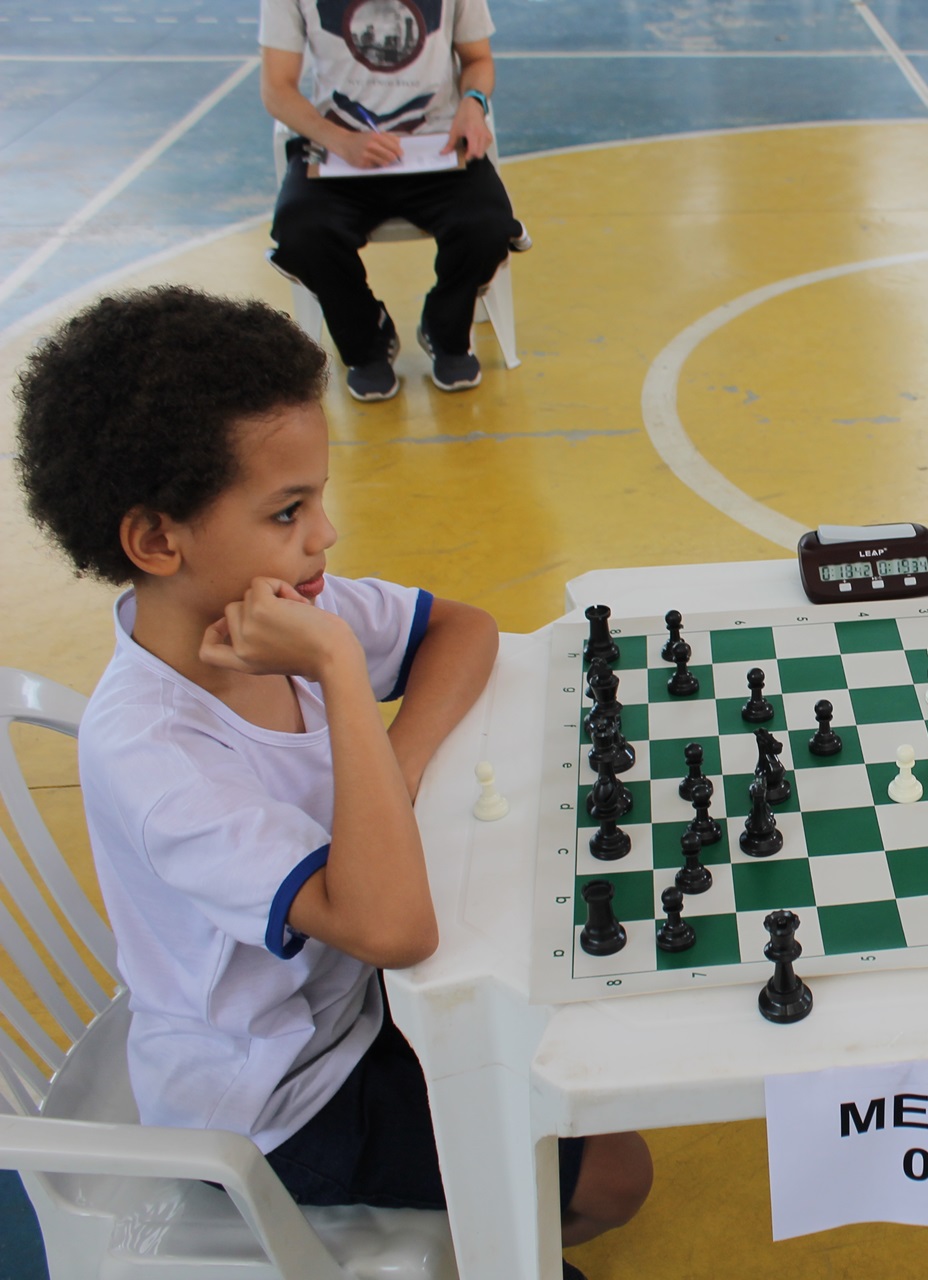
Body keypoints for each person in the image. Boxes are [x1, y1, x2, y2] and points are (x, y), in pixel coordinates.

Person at [12, 287, 649, 1278]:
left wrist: (394, 764)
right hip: (280, 1099)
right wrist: (343, 672)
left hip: (355, 1000)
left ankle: (493, 1214)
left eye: (317, 498)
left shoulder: (272, 605)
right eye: (287, 511)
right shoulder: (158, 756)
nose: (326, 533)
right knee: (613, 1174)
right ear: (158, 541)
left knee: (594, 1051)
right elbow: (395, 928)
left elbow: (464, 629)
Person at [260, 0, 522, 400]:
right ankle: (367, 340)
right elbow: (277, 90)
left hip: (435, 145)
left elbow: (477, 59)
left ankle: (445, 329)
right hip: (340, 148)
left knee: (488, 225)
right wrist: (341, 140)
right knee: (302, 231)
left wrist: (473, 101)